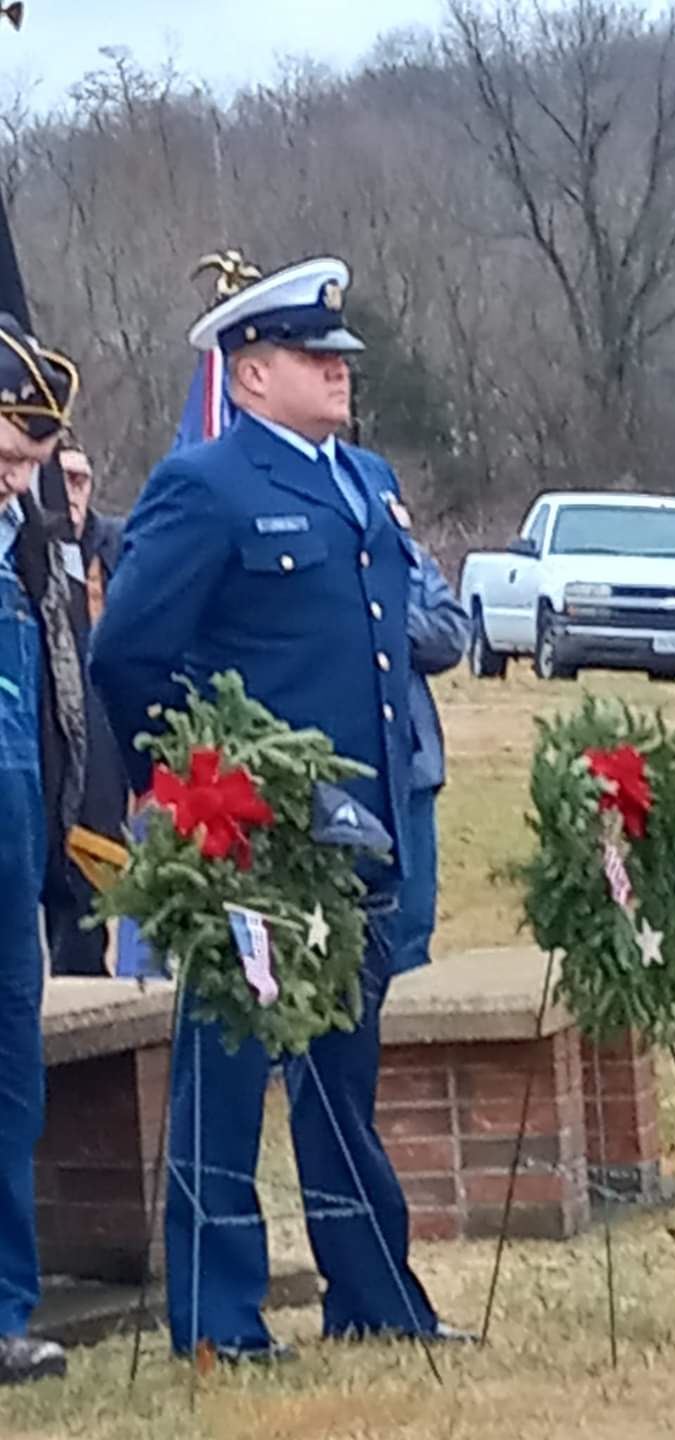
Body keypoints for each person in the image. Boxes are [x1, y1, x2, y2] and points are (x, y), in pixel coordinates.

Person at [90, 256, 465, 1361]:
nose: (339, 373)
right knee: (226, 1077)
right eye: (313, 358)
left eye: (341, 357)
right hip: (251, 842)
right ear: (248, 376)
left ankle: (375, 1299)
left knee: (343, 1080)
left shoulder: (363, 479)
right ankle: (219, 1323)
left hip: (362, 827)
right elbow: (128, 650)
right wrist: (207, 778)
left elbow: (391, 646)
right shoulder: (208, 486)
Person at [0, 314, 81, 1385]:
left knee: (14, 1084)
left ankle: (5, 1308)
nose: (16, 483)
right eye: (4, 456)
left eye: (27, 461)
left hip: (13, 867)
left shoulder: (25, 567)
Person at [41, 433, 127, 976]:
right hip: (38, 732)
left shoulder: (119, 545)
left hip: (103, 744)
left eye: (81, 480)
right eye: (62, 478)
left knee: (85, 910)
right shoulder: (24, 545)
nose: (72, 492)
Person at [392, 541, 468, 975]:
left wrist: (387, 617)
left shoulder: (407, 555)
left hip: (413, 772)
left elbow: (452, 635)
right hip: (332, 776)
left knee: (411, 932)